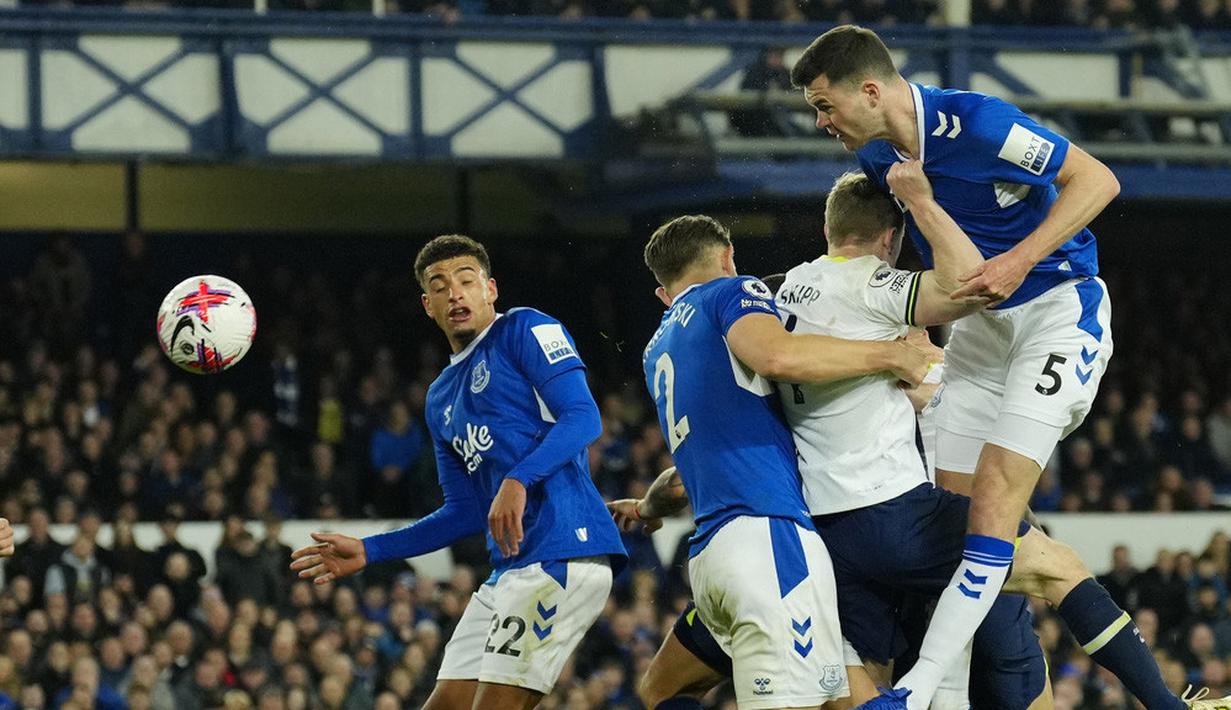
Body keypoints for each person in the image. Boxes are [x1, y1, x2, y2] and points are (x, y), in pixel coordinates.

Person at [786, 24, 1152, 710]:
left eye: (825, 105)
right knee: (962, 531)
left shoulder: (978, 123)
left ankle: (924, 691)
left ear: (869, 91)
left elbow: (1095, 179)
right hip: (977, 334)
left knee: (989, 509)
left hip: (1056, 313)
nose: (819, 121)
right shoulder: (879, 159)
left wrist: (1020, 258)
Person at [290, 235, 626, 710]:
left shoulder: (525, 329)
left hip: (563, 552)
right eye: (441, 287)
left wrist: (517, 479)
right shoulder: (439, 397)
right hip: (508, 570)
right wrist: (370, 549)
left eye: (467, 281)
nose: (456, 294)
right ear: (428, 306)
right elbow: (465, 511)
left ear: (490, 289)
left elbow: (584, 417)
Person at [639, 214, 937, 709]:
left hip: (711, 558)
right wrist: (891, 355)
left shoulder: (659, 349)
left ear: (663, 293)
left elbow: (680, 479)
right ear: (728, 256)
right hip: (767, 541)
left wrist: (646, 510)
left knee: (661, 689)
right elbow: (778, 356)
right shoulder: (732, 293)